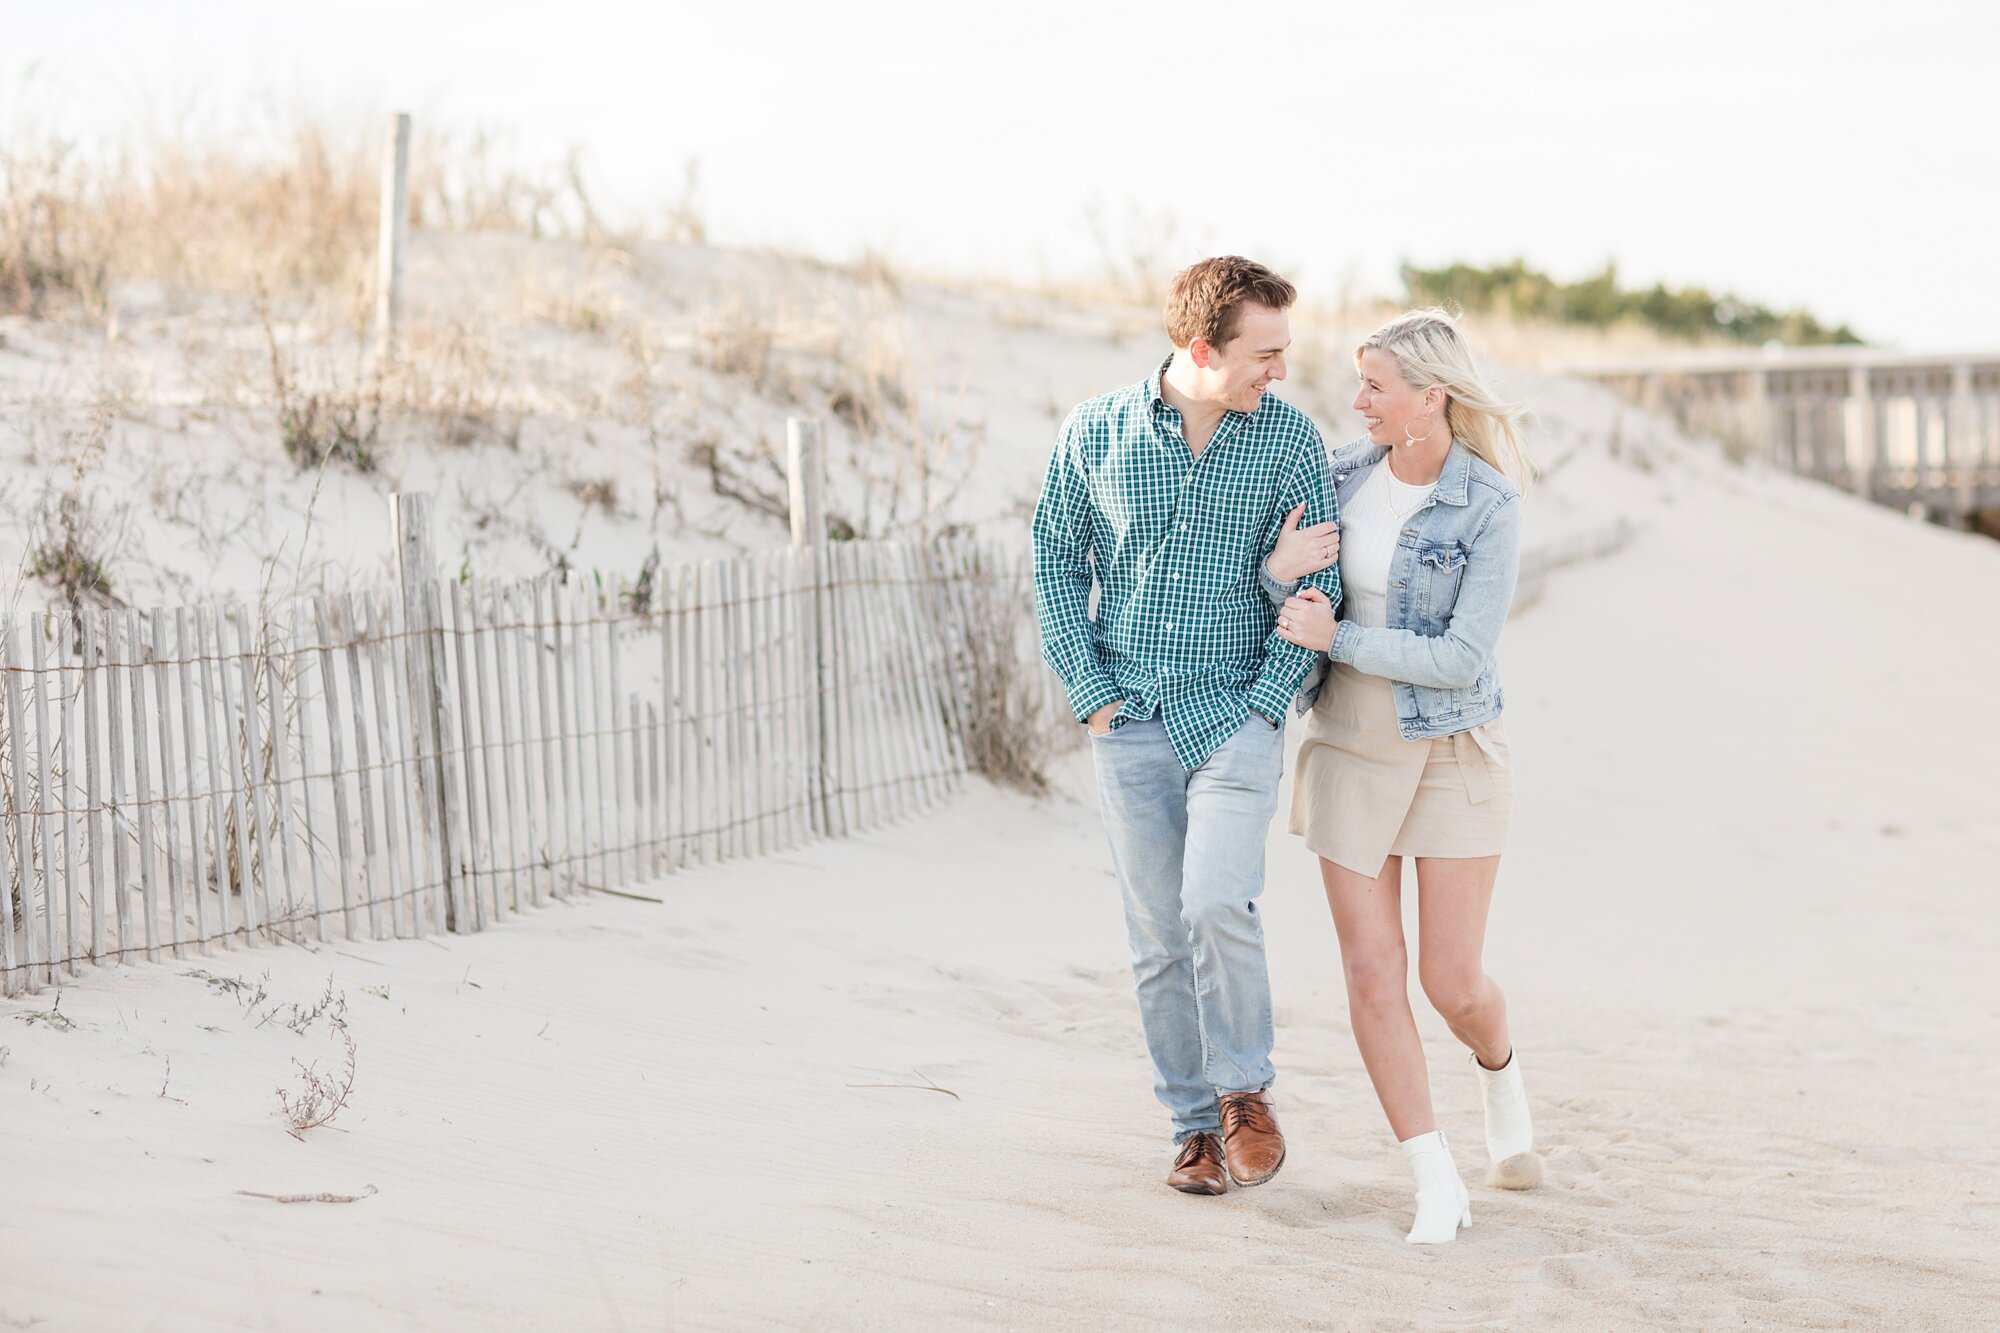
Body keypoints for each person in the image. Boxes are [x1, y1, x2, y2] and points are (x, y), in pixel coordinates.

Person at [1031, 256, 1340, 1196]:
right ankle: (1192, 1128)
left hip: (1237, 710)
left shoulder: (1290, 443)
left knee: (1215, 900)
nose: (1279, 371)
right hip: (1129, 718)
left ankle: (1246, 1091)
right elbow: (1053, 560)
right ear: (1201, 347)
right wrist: (1090, 691)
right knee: (1158, 935)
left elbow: (1321, 585)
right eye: (1265, 353)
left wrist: (1267, 697)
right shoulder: (1096, 430)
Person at [1262, 308, 1541, 1243]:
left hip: (1454, 744)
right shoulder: (1336, 478)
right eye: (1359, 383)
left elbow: (1461, 657)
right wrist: (1279, 573)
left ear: (1433, 395)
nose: (1358, 401)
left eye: (1375, 384)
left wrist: (1340, 635)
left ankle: (1499, 1070)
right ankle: (1435, 1177)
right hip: (1349, 742)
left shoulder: (1489, 505)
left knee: (1451, 983)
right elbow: (1286, 591)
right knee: (1372, 972)